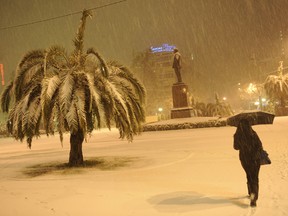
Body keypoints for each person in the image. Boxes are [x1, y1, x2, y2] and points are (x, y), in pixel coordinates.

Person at [233, 119, 263, 207]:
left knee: (249, 175)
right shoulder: (253, 133)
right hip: (255, 158)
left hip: (245, 158)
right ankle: (254, 196)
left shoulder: (237, 135)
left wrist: (243, 144)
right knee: (255, 177)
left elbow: (235, 147)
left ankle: (250, 192)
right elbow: (260, 145)